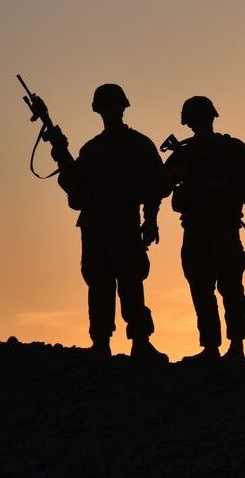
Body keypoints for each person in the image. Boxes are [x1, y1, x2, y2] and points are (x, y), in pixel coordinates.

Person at [51, 84, 167, 361]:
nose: (111, 112)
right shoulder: (91, 149)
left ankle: (140, 341)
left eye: (114, 106)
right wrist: (60, 151)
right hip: (95, 226)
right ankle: (101, 343)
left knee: (130, 283)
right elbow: (75, 188)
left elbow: (154, 186)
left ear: (123, 107)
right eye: (107, 107)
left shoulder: (138, 144)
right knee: (99, 284)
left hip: (124, 222)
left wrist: (150, 221)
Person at [163, 97, 245, 363]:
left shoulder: (231, 148)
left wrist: (226, 188)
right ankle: (211, 347)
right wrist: (177, 174)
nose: (199, 125)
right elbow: (160, 185)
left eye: (201, 119)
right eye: (196, 121)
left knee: (230, 288)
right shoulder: (184, 152)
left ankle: (237, 346)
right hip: (195, 229)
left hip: (223, 227)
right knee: (201, 290)